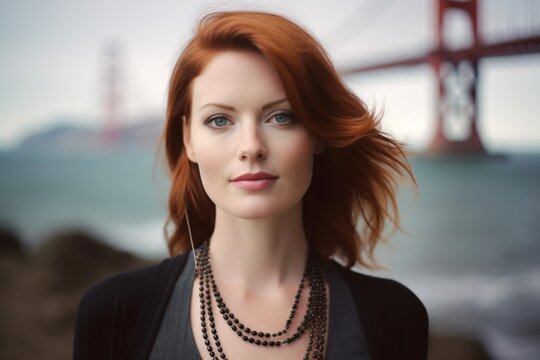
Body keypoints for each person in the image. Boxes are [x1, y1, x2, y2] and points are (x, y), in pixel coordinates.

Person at [73, 10, 428, 360]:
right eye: (219, 120)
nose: (251, 147)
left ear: (317, 133)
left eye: (281, 117)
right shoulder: (114, 313)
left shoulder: (394, 316)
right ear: (188, 139)